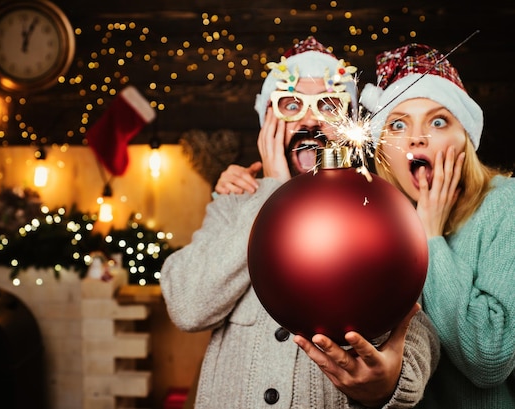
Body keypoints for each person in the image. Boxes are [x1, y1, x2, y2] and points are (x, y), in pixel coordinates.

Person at [160, 36, 440, 408]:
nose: (310, 120)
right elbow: (187, 306)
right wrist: (271, 194)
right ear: (268, 123)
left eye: (327, 106)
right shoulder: (236, 201)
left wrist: (393, 383)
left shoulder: (378, 205)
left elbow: (420, 322)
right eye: (292, 105)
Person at [358, 43, 515, 408]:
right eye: (398, 124)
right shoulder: (377, 222)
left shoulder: (505, 203)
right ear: (383, 147)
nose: (417, 137)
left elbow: (489, 361)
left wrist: (430, 233)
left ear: (466, 139)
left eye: (438, 120)